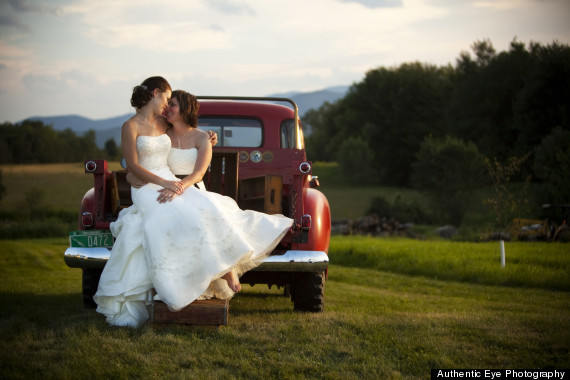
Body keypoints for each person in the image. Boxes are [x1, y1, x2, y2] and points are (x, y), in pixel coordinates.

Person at [93, 77, 293, 327]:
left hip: (170, 181)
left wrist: (206, 139)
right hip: (148, 185)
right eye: (166, 99)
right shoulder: (132, 126)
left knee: (194, 208)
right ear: (155, 94)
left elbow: (185, 138)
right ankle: (177, 282)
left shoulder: (162, 122)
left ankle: (222, 265)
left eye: (171, 103)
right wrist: (148, 178)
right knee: (167, 216)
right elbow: (133, 164)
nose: (167, 106)